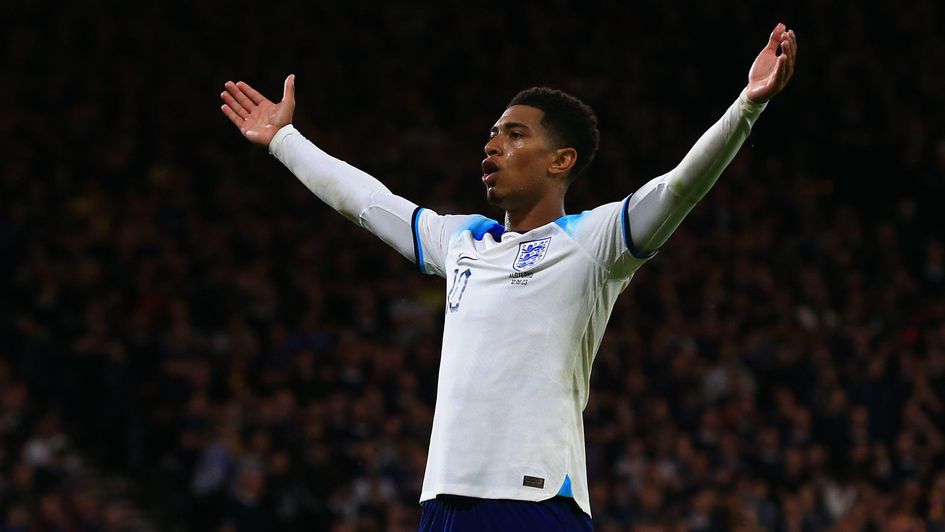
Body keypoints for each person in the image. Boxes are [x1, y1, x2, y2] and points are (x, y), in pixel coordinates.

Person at [220, 22, 797, 531]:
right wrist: (284, 141)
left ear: (561, 160)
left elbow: (679, 187)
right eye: (493, 134)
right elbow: (368, 202)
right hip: (443, 503)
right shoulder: (464, 241)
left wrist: (747, 106)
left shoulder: (593, 243)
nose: (493, 145)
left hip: (534, 499)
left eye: (515, 134)